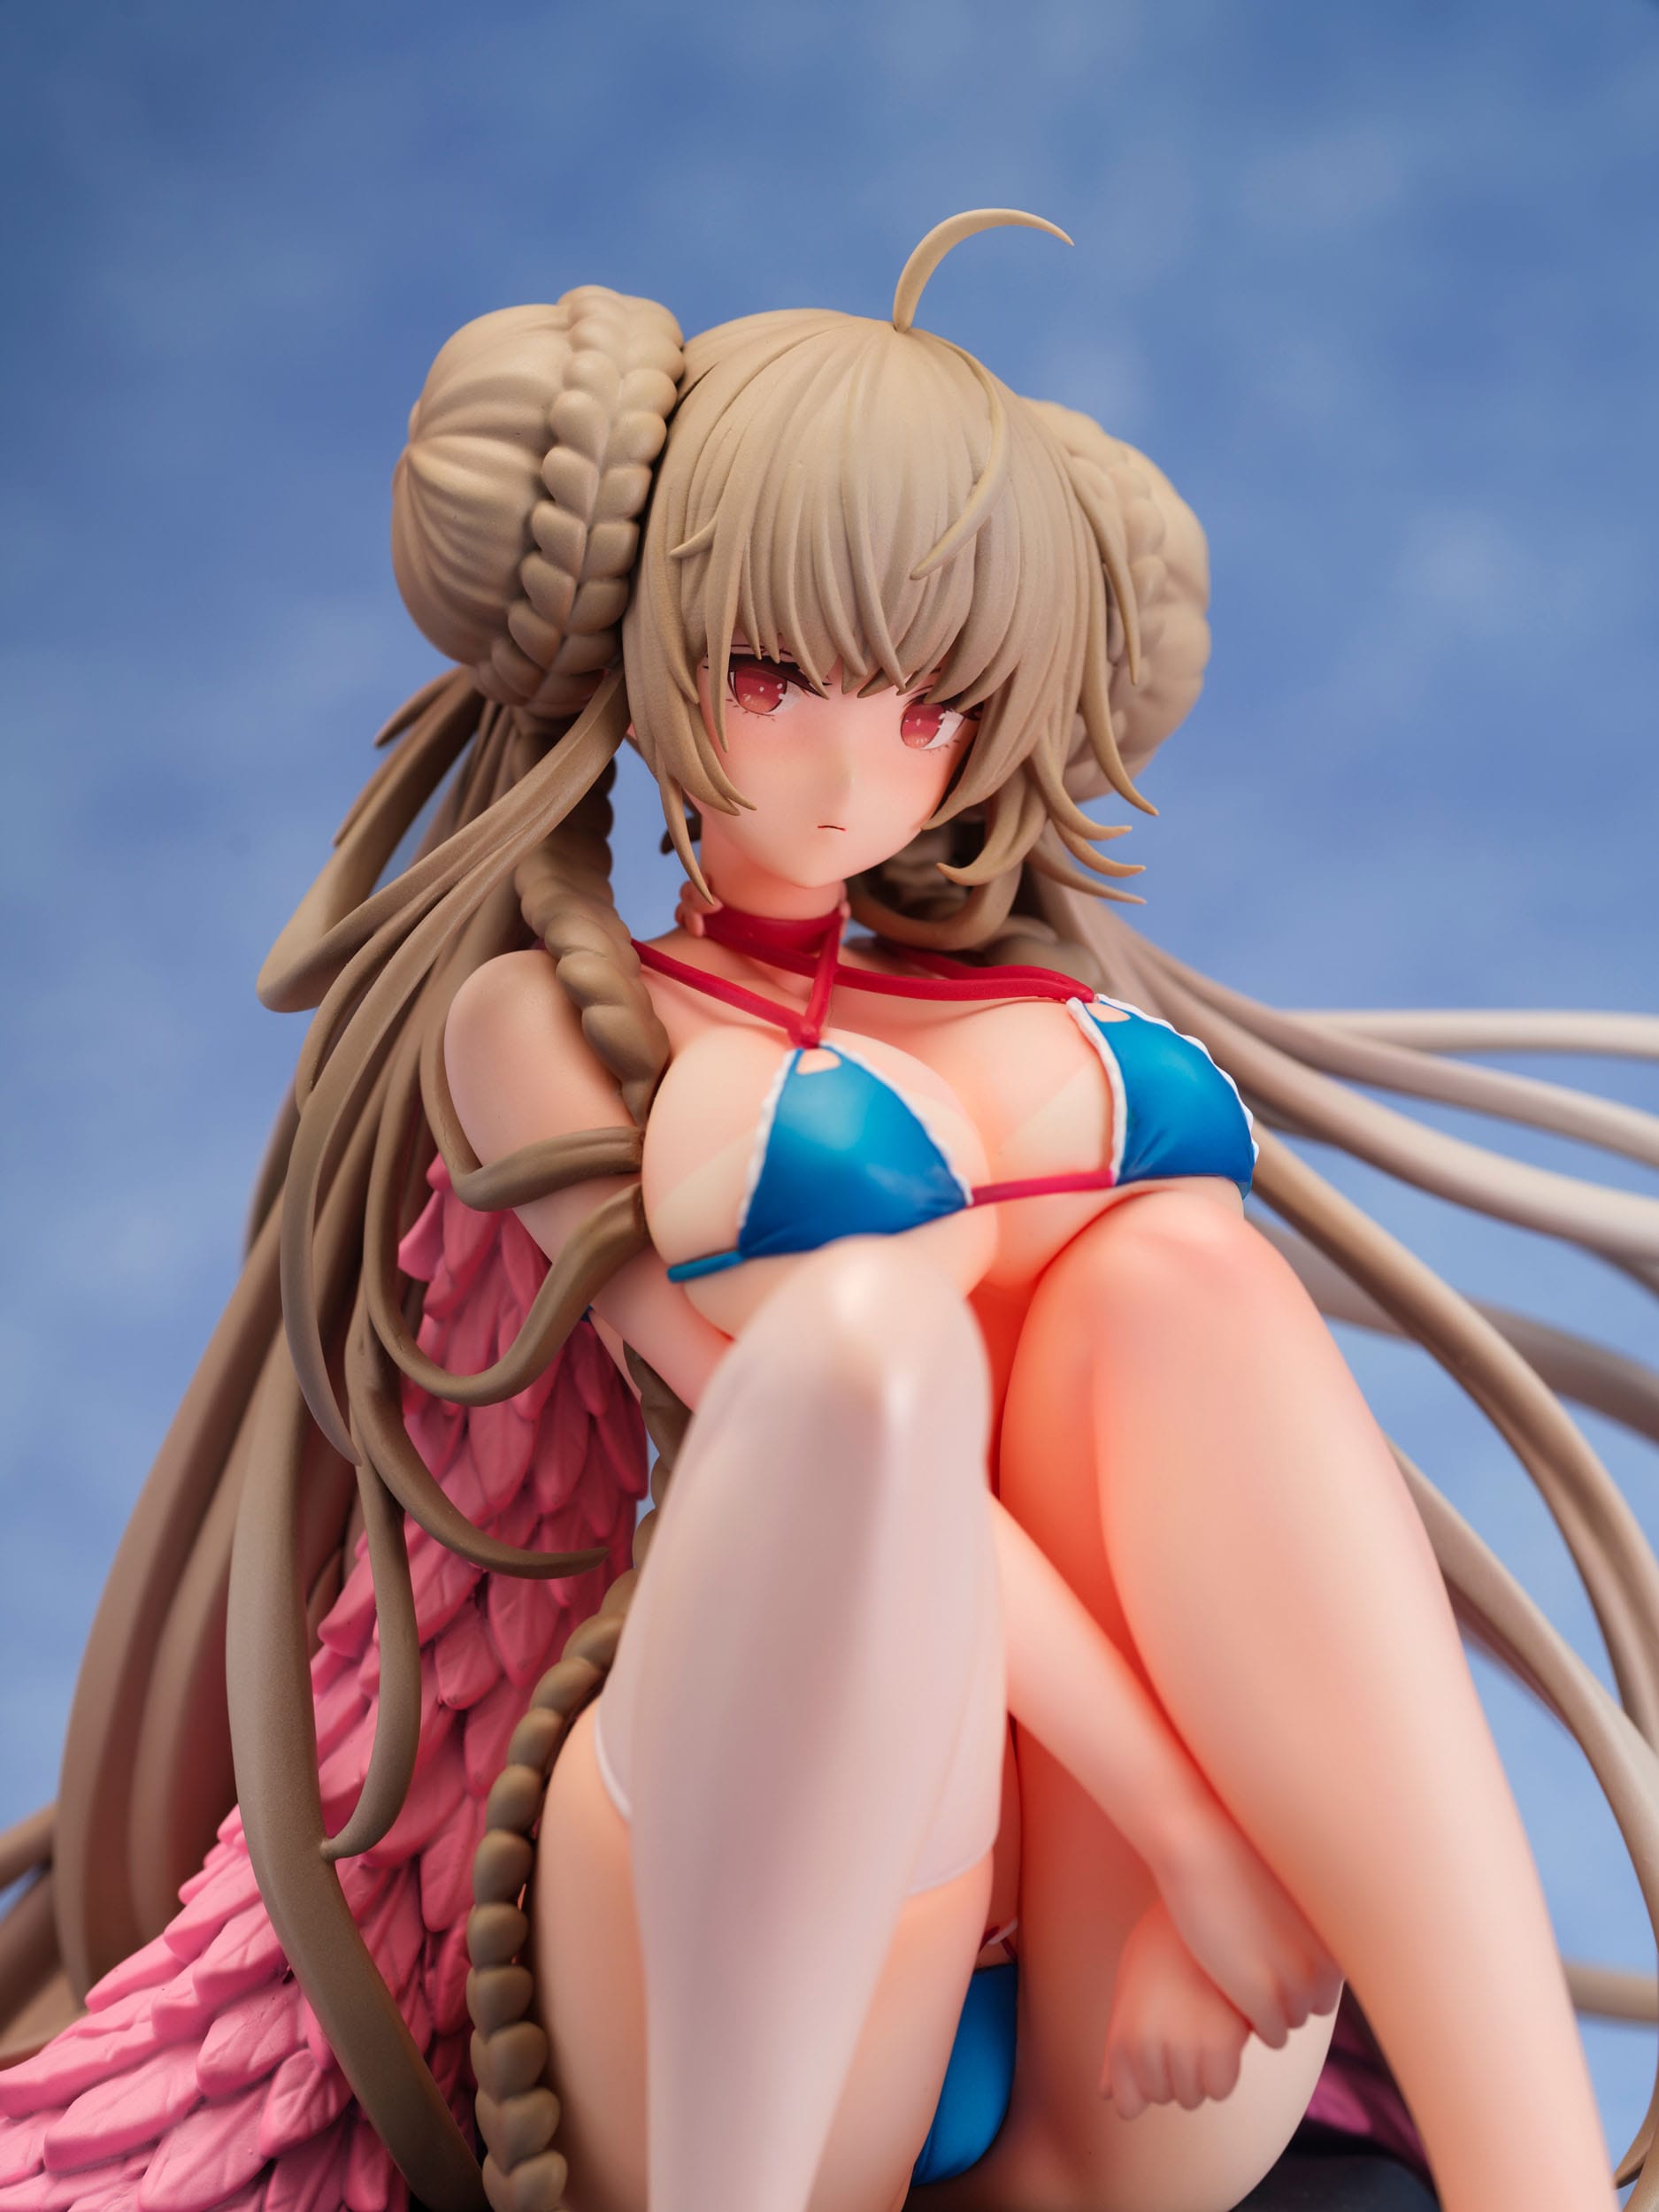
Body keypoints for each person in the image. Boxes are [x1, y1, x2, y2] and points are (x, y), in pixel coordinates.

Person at [0, 209, 1649, 2212]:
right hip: (769, 1945)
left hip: (1108, 1977)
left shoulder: (1012, 1002)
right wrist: (1185, 1817)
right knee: (865, 1358)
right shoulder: (537, 1022)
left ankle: (1538, 2181)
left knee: (1188, 1281)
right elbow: (844, 1442)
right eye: (774, 678)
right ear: (646, 651)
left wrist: (1188, 1856)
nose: (851, 769)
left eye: (925, 708)